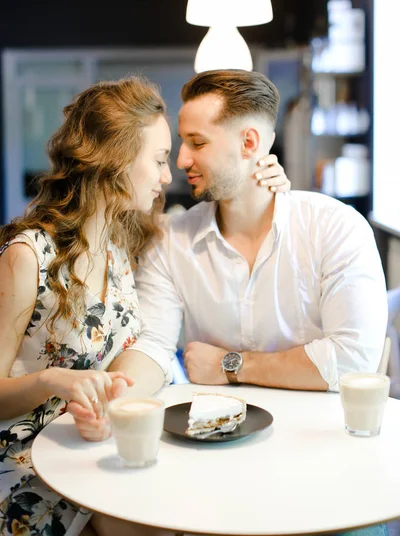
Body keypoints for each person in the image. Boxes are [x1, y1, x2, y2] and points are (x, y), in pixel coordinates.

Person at [0, 75, 289, 536]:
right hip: (32, 466)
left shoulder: (123, 242)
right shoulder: (27, 256)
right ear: (114, 162)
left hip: (94, 447)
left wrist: (264, 184)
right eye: (157, 159)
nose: (168, 174)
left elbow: (228, 210)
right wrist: (52, 381)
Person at [130, 69, 387, 393]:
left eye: (197, 142)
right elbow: (152, 343)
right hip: (210, 437)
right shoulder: (171, 240)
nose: (181, 160)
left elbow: (353, 361)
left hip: (319, 438)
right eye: (183, 143)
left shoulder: (335, 228)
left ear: (249, 143)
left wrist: (230, 364)